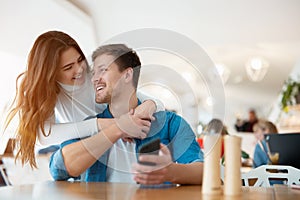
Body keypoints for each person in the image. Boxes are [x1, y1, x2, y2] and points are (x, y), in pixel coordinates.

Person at [49, 44, 204, 185]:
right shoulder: (90, 126)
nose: (94, 79)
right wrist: (118, 128)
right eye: (94, 73)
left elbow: (205, 172)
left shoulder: (170, 123)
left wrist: (169, 172)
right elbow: (58, 169)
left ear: (128, 75)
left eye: (103, 70)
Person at [4, 31, 162, 168]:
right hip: (89, 155)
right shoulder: (48, 90)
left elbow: (155, 103)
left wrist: (149, 105)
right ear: (50, 72)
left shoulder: (96, 73)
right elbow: (44, 135)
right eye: (68, 67)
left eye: (80, 60)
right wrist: (107, 124)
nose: (79, 69)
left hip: (124, 148)